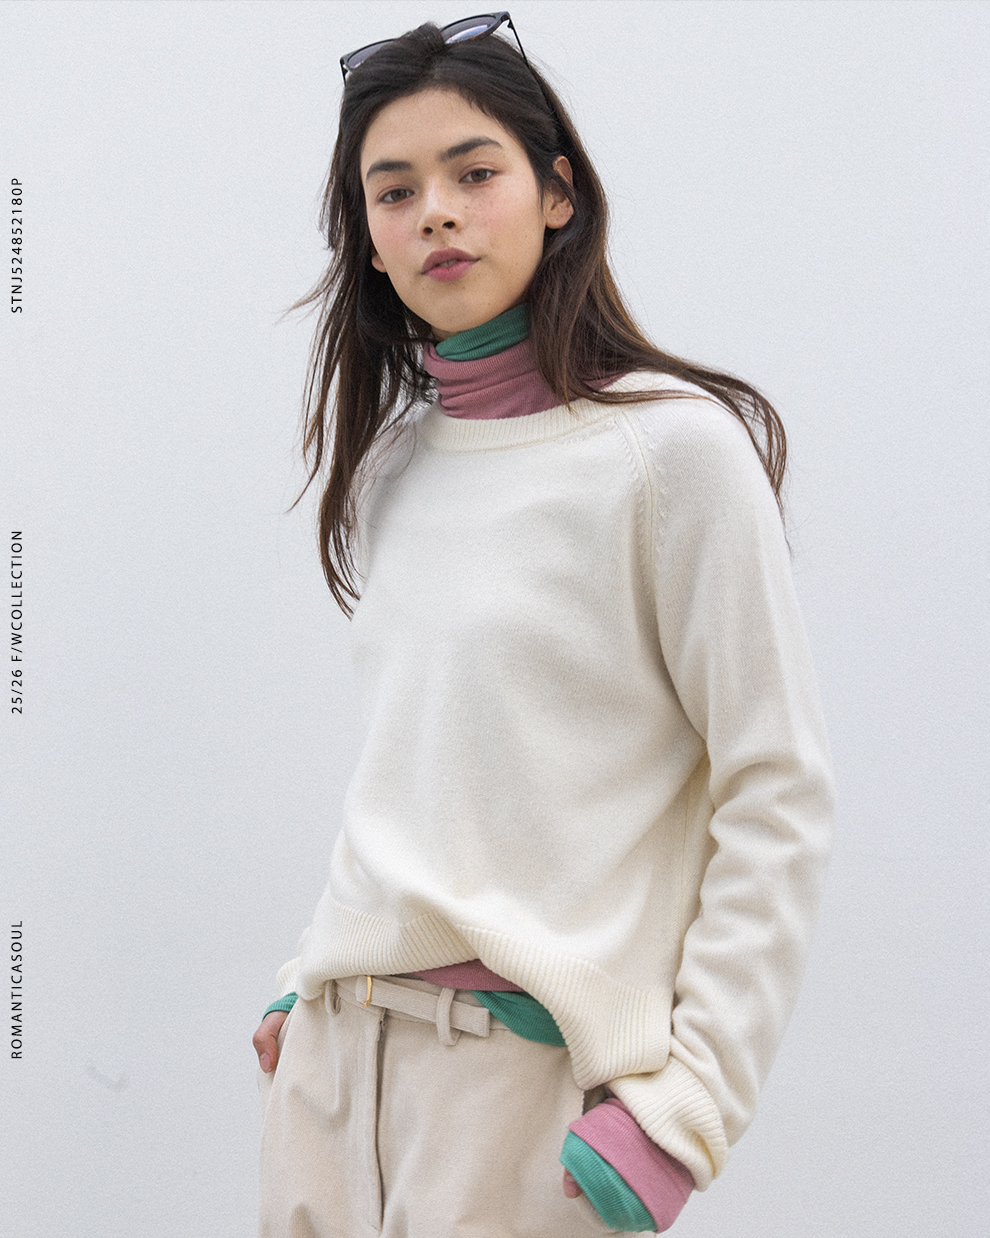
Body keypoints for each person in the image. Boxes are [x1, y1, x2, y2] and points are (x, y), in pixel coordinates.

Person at [252, 13, 833, 1237]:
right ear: (368, 238)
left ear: (558, 191)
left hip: (520, 1099)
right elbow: (424, 765)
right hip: (330, 1083)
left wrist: (683, 1112)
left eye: (474, 172)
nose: (436, 214)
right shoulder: (395, 467)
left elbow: (776, 791)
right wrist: (309, 978)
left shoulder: (672, 452)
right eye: (394, 190)